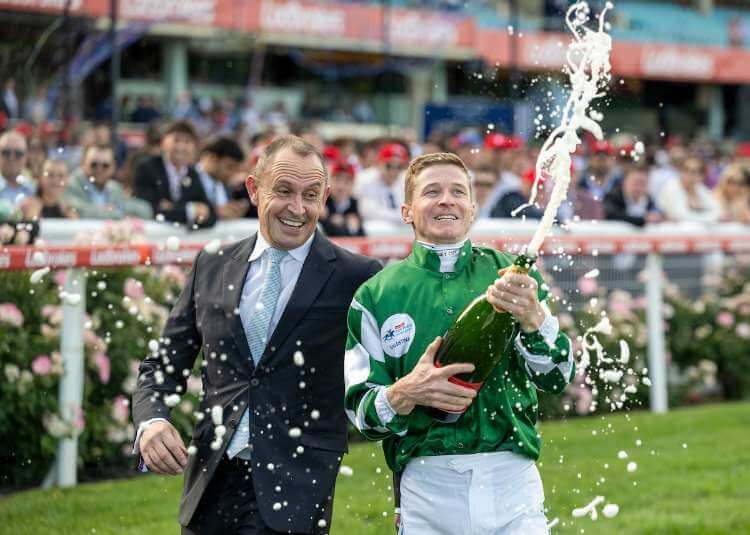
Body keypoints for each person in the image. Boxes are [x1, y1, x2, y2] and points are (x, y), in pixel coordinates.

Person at [132, 136, 381, 535]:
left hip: (299, 487)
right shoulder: (211, 265)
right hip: (210, 488)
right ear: (253, 189)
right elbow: (163, 364)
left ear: (326, 197)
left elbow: (394, 366)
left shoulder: (358, 276)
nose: (297, 208)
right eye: (283, 191)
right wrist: (152, 422)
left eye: (311, 195)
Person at [344, 152, 573, 534]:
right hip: (426, 485)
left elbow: (558, 377)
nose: (446, 200)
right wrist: (406, 392)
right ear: (406, 211)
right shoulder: (376, 296)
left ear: (472, 208)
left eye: (457, 192)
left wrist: (534, 319)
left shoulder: (512, 277)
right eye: (431, 192)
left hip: (512, 477)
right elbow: (361, 416)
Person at [133, 120, 216, 228]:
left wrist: (173, 208)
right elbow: (150, 209)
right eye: (176, 140)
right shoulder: (147, 167)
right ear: (163, 142)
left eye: (187, 142)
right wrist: (190, 210)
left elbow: (210, 213)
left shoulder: (193, 173)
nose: (181, 147)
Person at [64, 144, 152, 219]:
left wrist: (116, 210)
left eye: (105, 165)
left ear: (113, 167)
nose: (99, 169)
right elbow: (79, 211)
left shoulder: (114, 187)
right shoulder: (70, 184)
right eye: (94, 165)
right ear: (82, 163)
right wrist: (115, 213)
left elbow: (145, 210)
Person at [195, 136, 250, 220]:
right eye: (229, 167)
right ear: (212, 158)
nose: (233, 174)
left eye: (236, 169)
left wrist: (233, 210)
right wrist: (215, 212)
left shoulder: (223, 185)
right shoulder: (188, 178)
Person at [354, 142, 409, 226]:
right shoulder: (365, 179)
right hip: (374, 231)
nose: (394, 171)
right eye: (389, 165)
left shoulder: (405, 179)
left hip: (401, 229)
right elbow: (368, 213)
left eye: (399, 166)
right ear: (379, 163)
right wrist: (401, 217)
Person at [656, 154, 721, 223]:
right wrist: (710, 217)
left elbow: (717, 210)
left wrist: (711, 217)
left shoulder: (699, 188)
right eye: (686, 170)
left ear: (701, 175)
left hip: (697, 230)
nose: (690, 174)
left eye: (695, 171)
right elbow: (681, 215)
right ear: (680, 171)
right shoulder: (672, 188)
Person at [603, 162, 662, 227]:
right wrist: (643, 220)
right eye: (636, 183)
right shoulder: (612, 197)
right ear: (625, 182)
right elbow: (611, 216)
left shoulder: (649, 200)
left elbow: (658, 214)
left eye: (643, 184)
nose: (638, 188)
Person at [319, 161, 365, 237]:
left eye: (346, 182)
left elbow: (360, 233)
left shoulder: (353, 203)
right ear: (330, 181)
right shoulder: (323, 201)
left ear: (352, 184)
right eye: (337, 180)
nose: (341, 186)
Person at [0, 130, 34, 207]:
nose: (12, 158)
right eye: (6, 153)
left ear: (26, 157)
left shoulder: (34, 190)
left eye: (18, 153)